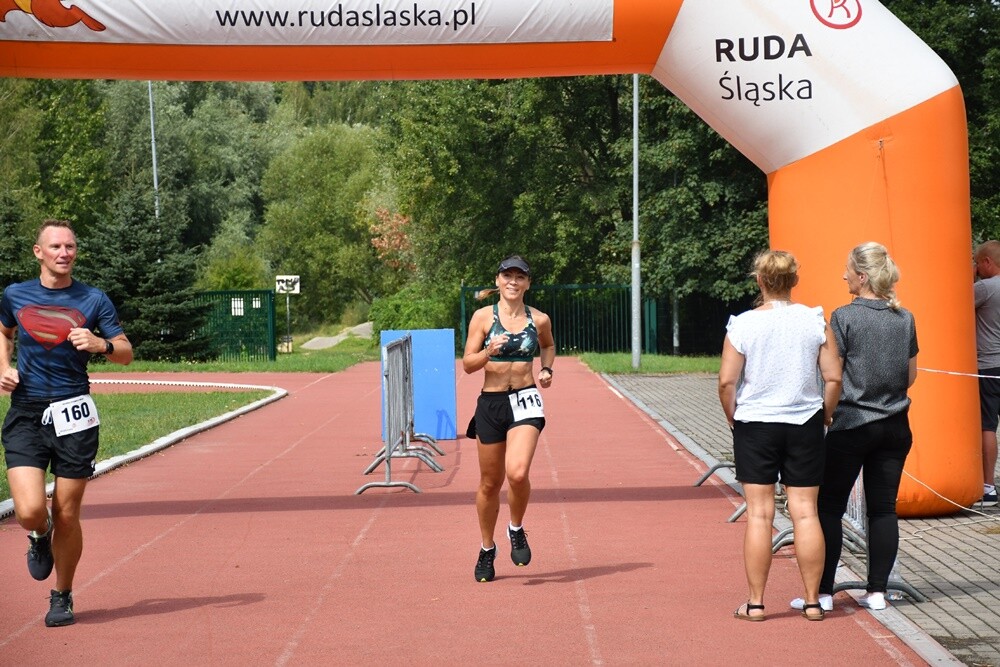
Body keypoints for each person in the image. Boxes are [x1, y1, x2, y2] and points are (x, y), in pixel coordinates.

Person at [0, 219, 133, 627]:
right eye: (56, 246)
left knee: (69, 514)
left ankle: (62, 595)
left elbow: (125, 352)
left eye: (70, 246)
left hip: (74, 414)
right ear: (38, 252)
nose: (64, 253)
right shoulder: (14, 294)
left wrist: (100, 344)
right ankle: (39, 536)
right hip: (26, 410)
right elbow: (3, 331)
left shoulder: (94, 299)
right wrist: (3, 365)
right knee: (29, 510)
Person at [788, 242, 917, 614]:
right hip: (895, 424)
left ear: (862, 277)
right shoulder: (904, 318)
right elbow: (910, 376)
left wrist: (826, 413)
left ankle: (824, 591)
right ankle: (877, 591)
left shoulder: (843, 318)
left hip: (851, 423)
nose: (842, 276)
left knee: (828, 506)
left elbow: (832, 374)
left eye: (847, 270)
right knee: (883, 509)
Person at [718, 249, 842, 622]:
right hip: (804, 421)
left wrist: (733, 417)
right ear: (794, 281)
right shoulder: (814, 320)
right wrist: (825, 416)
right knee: (806, 513)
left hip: (755, 424)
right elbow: (833, 377)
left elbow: (727, 381)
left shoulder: (742, 324)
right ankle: (812, 601)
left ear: (760, 280)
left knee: (759, 513)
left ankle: (756, 603)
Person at [463, 255, 555, 583]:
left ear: (528, 283)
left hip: (526, 399)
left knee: (517, 474)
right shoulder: (482, 318)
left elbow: (548, 345)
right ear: (498, 280)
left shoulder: (539, 319)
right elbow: (468, 364)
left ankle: (516, 528)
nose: (513, 282)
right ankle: (487, 549)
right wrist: (489, 350)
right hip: (491, 402)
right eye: (507, 276)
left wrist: (546, 368)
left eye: (520, 277)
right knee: (490, 482)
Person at [974, 240, 1000, 506]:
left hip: (988, 365)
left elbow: (955, 309)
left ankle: (988, 487)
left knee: (987, 426)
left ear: (987, 263)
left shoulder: (984, 288)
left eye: (977, 262)